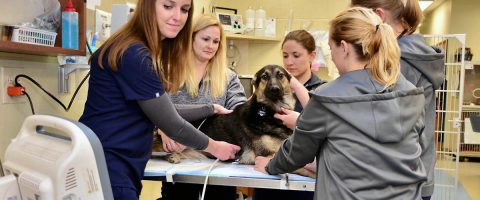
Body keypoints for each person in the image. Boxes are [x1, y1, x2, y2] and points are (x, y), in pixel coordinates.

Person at [254, 7, 427, 200]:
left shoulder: (327, 98)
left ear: (343, 47)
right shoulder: (411, 92)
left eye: (330, 48)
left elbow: (297, 153)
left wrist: (269, 165)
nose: (332, 56)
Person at [78, 1, 240, 199]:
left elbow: (164, 110)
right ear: (148, 5)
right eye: (167, 6)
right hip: (110, 166)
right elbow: (171, 123)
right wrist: (215, 147)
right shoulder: (134, 55)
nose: (177, 17)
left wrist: (210, 108)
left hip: (107, 163)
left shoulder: (131, 47)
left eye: (184, 9)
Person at [350, 1, 445, 199]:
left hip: (397, 181)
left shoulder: (397, 60)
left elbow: (379, 125)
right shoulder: (419, 54)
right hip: (419, 172)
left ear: (378, 16)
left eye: (357, 19)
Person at [158, 14, 247, 200]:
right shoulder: (169, 72)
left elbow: (239, 111)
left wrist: (250, 108)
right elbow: (155, 109)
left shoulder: (228, 77)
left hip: (217, 164)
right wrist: (162, 128)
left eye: (216, 41)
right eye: (205, 39)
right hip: (178, 160)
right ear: (191, 38)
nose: (211, 46)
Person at [253, 29, 326, 200]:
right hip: (269, 176)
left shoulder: (322, 90)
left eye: (296, 55)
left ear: (312, 55)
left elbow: (324, 133)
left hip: (303, 182)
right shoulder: (271, 90)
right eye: (285, 56)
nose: (289, 62)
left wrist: (299, 121)